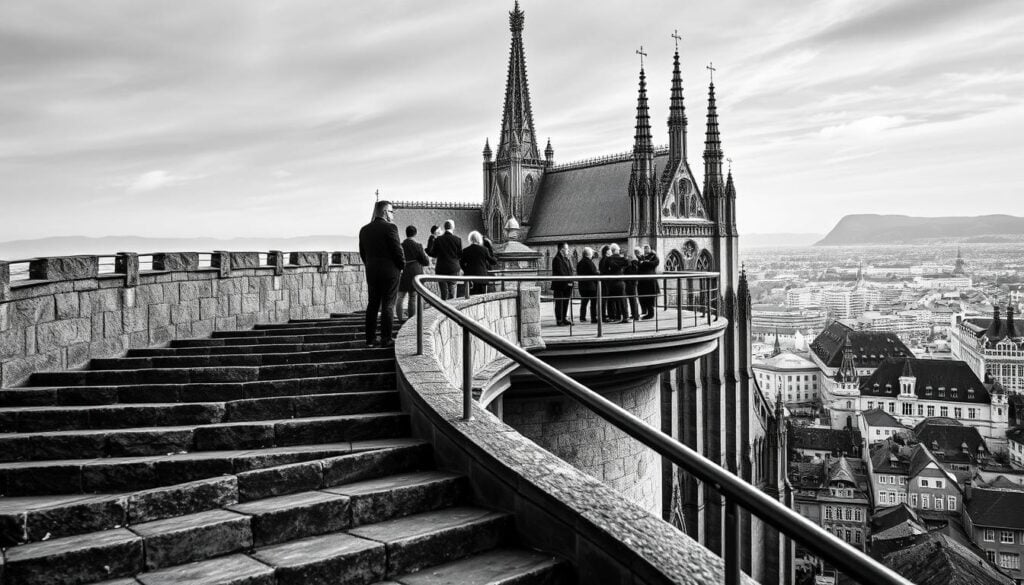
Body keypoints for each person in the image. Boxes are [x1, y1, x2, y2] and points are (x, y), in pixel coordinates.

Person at [358, 200, 404, 347]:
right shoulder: (391, 228)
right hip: (390, 271)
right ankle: (386, 338)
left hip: (372, 271)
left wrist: (370, 265)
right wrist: (401, 266)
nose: (393, 215)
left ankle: (370, 339)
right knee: (388, 304)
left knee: (372, 305)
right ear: (385, 212)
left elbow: (363, 253)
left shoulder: (364, 230)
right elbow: (397, 250)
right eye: (391, 212)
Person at [396, 225, 430, 321]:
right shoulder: (418, 246)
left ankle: (399, 318)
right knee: (412, 296)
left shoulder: (400, 246)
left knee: (400, 296)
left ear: (406, 233)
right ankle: (411, 320)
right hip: (415, 272)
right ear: (415, 234)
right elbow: (426, 262)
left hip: (403, 272)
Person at [429, 219, 462, 300]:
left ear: (444, 227)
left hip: (441, 269)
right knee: (452, 292)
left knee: (444, 293)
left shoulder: (438, 239)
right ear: (453, 227)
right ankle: (452, 310)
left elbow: (433, 254)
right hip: (453, 269)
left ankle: (444, 309)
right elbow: (460, 255)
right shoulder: (458, 239)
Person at [460, 231, 497, 296]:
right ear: (479, 239)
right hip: (482, 277)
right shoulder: (484, 249)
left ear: (470, 239)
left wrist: (466, 271)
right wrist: (490, 249)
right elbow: (493, 262)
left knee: (470, 297)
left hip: (470, 278)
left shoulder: (466, 250)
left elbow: (461, 263)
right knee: (482, 297)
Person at [604, 244, 630, 324]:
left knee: (612, 299)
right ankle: (625, 317)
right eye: (618, 250)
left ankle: (614, 317)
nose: (619, 251)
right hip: (620, 281)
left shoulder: (608, 259)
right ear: (616, 250)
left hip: (611, 282)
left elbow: (605, 270)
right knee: (622, 300)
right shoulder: (621, 258)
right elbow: (628, 263)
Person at [551, 242, 574, 325]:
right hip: (560, 285)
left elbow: (570, 270)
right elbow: (561, 272)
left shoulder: (566, 259)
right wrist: (568, 281)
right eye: (567, 249)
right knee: (559, 303)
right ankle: (559, 320)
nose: (568, 250)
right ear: (562, 250)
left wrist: (571, 281)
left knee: (565, 302)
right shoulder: (557, 259)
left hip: (567, 285)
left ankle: (564, 318)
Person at [638, 244, 660, 319]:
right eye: (645, 248)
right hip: (643, 281)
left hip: (650, 281)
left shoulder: (654, 256)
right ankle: (645, 311)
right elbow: (639, 266)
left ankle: (651, 313)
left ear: (650, 249)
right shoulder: (641, 257)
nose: (646, 249)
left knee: (650, 298)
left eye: (647, 248)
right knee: (643, 298)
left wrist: (644, 263)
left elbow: (654, 264)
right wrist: (644, 263)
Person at [576, 247, 598, 323]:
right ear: (589, 254)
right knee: (593, 303)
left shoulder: (580, 263)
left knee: (584, 302)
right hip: (590, 286)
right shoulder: (589, 262)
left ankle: (582, 317)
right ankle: (593, 318)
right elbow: (594, 273)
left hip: (582, 286)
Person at [624, 247, 642, 321]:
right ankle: (634, 314)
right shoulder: (633, 263)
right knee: (632, 299)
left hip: (631, 283)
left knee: (633, 299)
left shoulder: (633, 263)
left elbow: (632, 272)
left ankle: (635, 315)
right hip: (631, 283)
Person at [598, 244, 613, 321]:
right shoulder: (606, 259)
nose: (611, 251)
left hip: (604, 281)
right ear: (607, 251)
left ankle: (603, 315)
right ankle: (603, 316)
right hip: (606, 281)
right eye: (610, 250)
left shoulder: (603, 259)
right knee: (604, 299)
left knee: (604, 299)